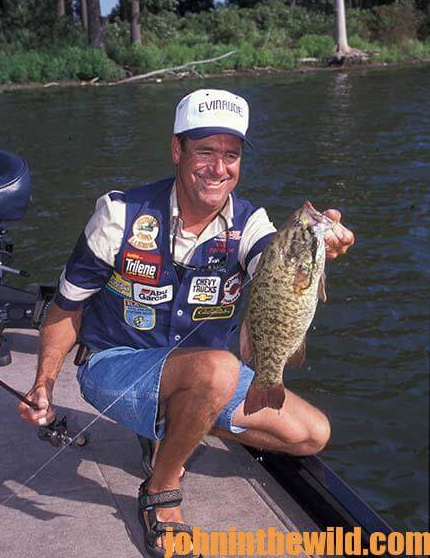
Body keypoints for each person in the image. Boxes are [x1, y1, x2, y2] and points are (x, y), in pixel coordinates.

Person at [19, 89, 354, 557]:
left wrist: (322, 246)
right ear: (177, 150)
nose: (219, 168)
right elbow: (66, 309)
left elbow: (270, 266)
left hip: (203, 374)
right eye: (205, 151)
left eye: (231, 155)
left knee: (311, 435)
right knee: (219, 369)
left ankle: (180, 420)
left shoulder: (252, 225)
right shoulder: (119, 216)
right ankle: (160, 489)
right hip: (116, 365)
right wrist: (45, 383)